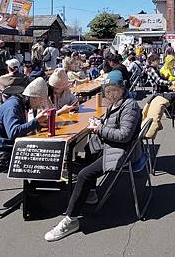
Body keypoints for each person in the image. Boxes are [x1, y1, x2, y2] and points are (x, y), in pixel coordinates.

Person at [44, 70, 143, 242]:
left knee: (84, 174)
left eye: (112, 89)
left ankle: (71, 220)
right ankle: (89, 192)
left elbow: (124, 135)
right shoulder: (116, 101)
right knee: (78, 159)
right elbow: (111, 124)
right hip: (108, 145)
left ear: (122, 88)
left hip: (121, 151)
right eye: (107, 89)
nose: (109, 92)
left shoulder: (130, 105)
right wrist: (99, 123)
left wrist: (99, 128)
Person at [0, 78, 49, 158]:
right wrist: (36, 122)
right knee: (39, 154)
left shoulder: (21, 105)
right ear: (33, 97)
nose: (40, 104)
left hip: (7, 146)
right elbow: (13, 133)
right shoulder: (13, 107)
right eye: (40, 100)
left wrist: (40, 124)